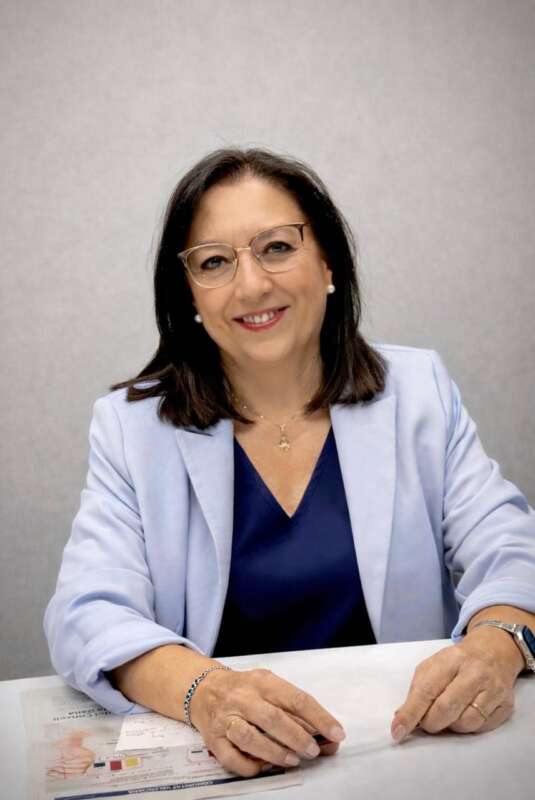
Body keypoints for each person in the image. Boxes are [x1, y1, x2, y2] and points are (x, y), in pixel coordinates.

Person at [45, 147, 535, 778]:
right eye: (214, 262)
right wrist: (207, 694)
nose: (251, 285)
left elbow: (511, 549)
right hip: (230, 766)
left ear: (329, 262)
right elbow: (86, 612)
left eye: (276, 247)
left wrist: (498, 644)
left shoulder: (420, 391)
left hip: (403, 754)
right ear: (189, 292)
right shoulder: (132, 426)